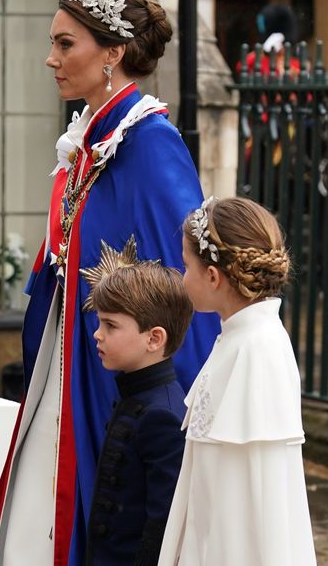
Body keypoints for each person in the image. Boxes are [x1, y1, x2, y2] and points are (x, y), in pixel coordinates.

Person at [0, 0, 219, 566]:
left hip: (112, 381)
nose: (51, 58)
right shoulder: (91, 138)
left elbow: (184, 284)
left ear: (112, 53)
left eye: (65, 44)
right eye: (53, 42)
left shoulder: (149, 141)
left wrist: (177, 407)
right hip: (70, 365)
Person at [158, 196, 317, 566]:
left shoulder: (257, 350)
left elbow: (260, 498)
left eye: (186, 267)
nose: (182, 278)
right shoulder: (237, 338)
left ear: (213, 277)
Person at [82, 238, 192, 566]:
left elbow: (160, 528)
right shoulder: (134, 397)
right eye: (100, 323)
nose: (97, 334)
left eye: (110, 325)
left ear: (154, 338)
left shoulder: (163, 416)